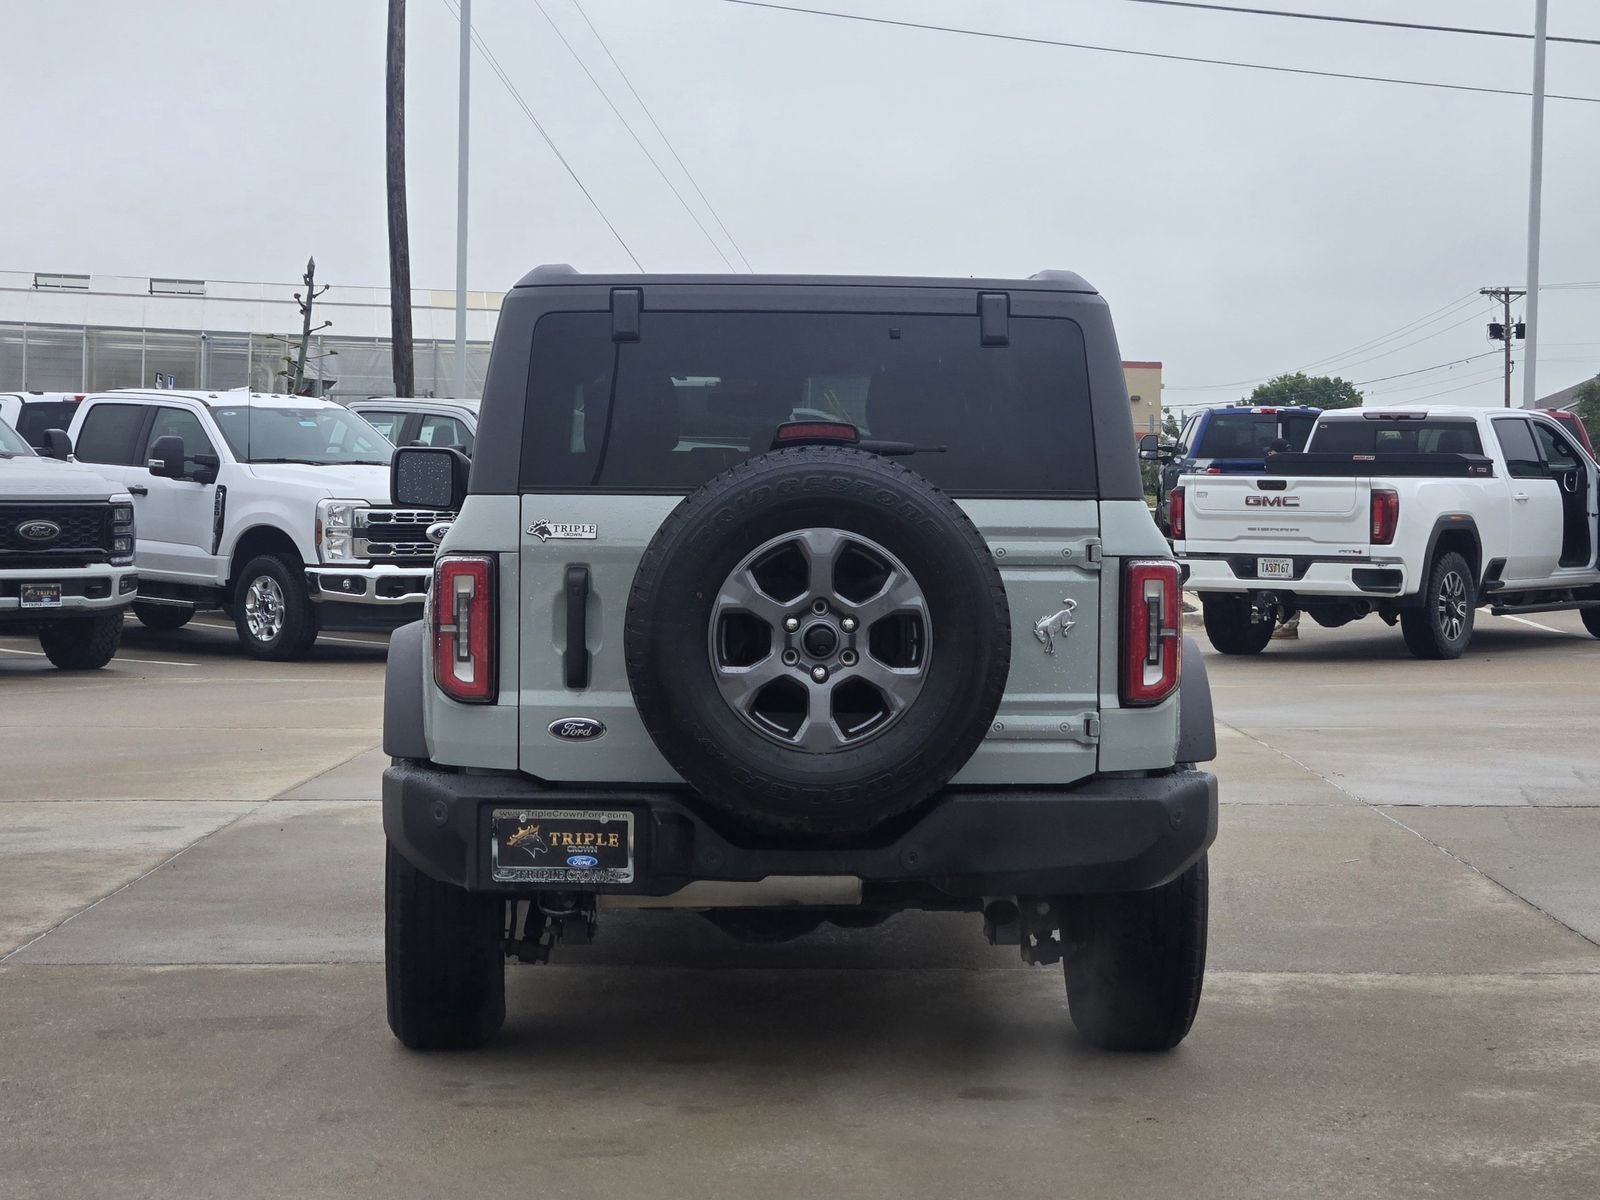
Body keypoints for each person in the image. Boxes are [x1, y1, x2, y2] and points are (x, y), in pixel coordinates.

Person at [1264, 438, 1301, 639]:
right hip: (1295, 536)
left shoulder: (1276, 471)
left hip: (1281, 536)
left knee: (1287, 586)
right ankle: (1287, 624)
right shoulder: (1300, 469)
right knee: (1290, 584)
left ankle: (1289, 625)